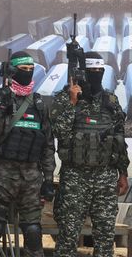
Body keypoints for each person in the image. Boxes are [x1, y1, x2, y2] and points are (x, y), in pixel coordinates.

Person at [51, 52, 130, 256]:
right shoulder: (65, 99)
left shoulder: (111, 101)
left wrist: (123, 173)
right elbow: (58, 131)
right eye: (91, 71)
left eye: (99, 70)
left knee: (104, 240)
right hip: (74, 178)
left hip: (105, 178)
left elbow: (119, 139)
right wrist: (72, 102)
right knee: (68, 238)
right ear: (82, 73)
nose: (96, 74)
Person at [0, 51, 55, 257]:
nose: (28, 73)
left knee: (32, 231)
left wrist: (48, 179)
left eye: (31, 70)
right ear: (12, 71)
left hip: (31, 178)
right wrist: (2, 109)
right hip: (3, 175)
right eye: (23, 70)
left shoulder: (39, 105)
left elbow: (48, 144)